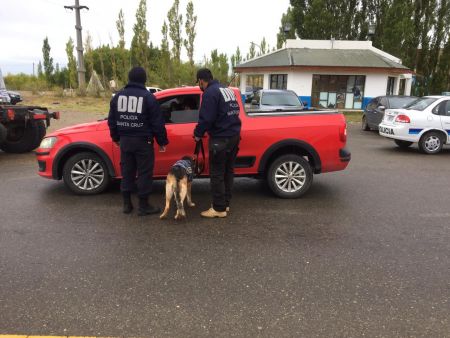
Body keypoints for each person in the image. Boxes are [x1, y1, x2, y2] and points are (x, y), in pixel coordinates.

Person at [108, 67, 168, 216]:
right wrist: (162, 141)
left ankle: (127, 205)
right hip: (143, 142)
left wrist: (116, 138)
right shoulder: (148, 97)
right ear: (144, 79)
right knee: (144, 173)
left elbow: (112, 121)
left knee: (127, 172)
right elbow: (157, 123)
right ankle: (143, 205)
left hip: (125, 142)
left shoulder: (117, 97)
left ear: (129, 78)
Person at [193, 68, 241, 218]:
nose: (199, 85)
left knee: (217, 174)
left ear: (201, 80)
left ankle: (218, 209)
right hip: (234, 136)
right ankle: (225, 204)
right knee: (228, 171)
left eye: (199, 82)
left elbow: (206, 118)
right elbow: (235, 111)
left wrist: (197, 134)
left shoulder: (209, 93)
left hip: (220, 139)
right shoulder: (227, 90)